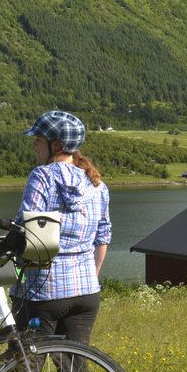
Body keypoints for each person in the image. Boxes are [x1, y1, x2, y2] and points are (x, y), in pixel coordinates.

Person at [16, 110, 110, 346]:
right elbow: (102, 237)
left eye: (38, 140)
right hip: (87, 291)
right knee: (75, 360)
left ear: (56, 145)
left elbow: (27, 228)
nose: (35, 145)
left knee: (25, 360)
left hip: (44, 291)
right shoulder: (97, 184)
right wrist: (90, 277)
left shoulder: (42, 176)